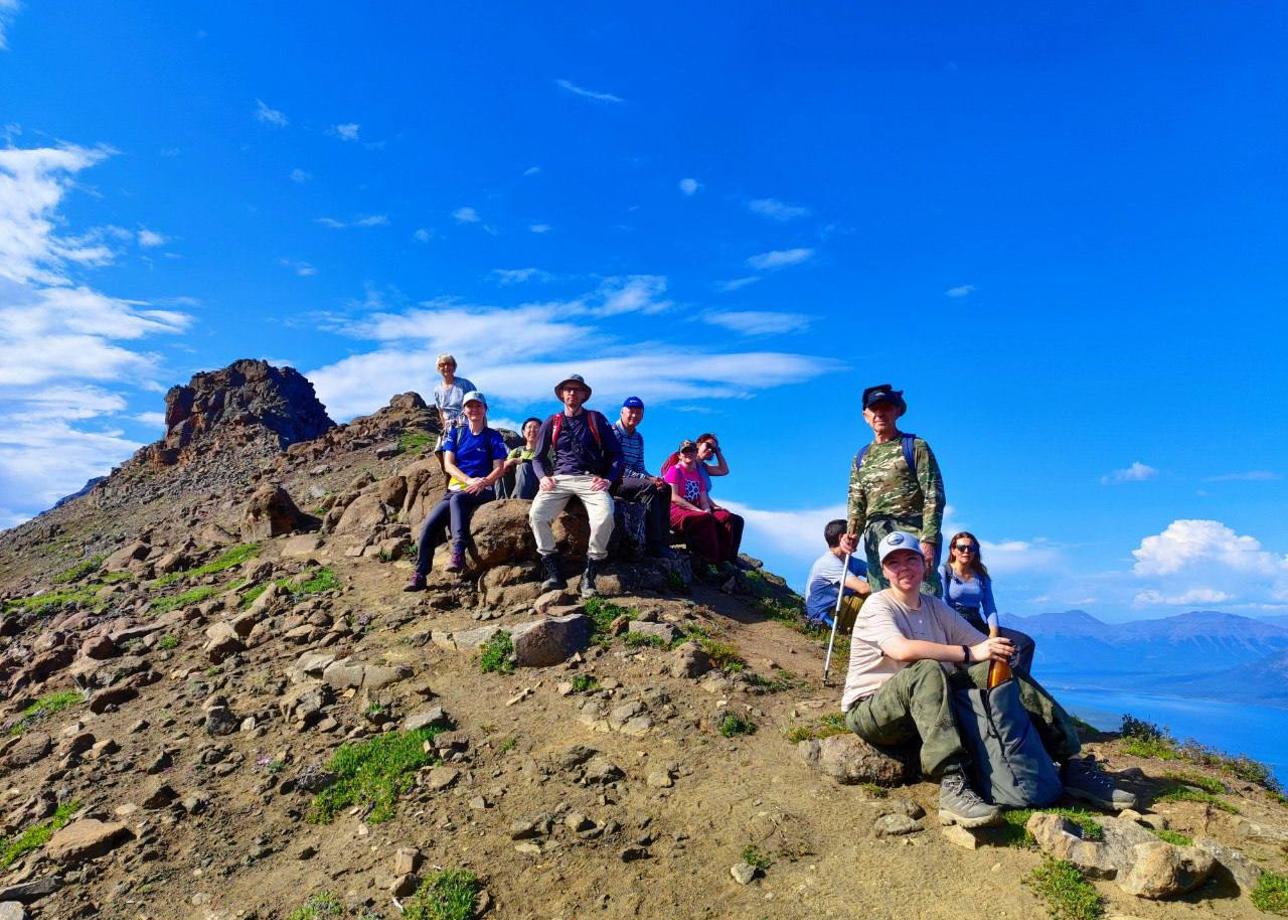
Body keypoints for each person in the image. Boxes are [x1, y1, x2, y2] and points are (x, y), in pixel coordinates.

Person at [842, 531, 1136, 827]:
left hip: (925, 705)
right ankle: (952, 783)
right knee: (927, 668)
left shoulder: (933, 606)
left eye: (910, 559)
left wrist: (994, 655)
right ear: (884, 571)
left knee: (993, 665)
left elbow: (981, 645)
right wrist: (970, 652)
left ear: (924, 564)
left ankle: (1071, 761)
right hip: (872, 709)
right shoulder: (878, 605)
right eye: (894, 563)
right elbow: (901, 650)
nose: (903, 567)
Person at [841, 384, 945, 595]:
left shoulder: (915, 446)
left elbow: (934, 495)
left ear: (897, 411)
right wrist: (851, 534)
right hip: (875, 539)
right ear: (865, 416)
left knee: (923, 597)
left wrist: (929, 540)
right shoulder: (861, 457)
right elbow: (856, 502)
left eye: (886, 407)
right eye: (874, 409)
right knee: (884, 601)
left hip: (913, 534)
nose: (880, 413)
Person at [529, 374, 624, 599]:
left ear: (584, 395)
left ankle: (589, 576)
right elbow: (538, 457)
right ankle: (554, 572)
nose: (572, 393)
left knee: (604, 517)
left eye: (577, 390)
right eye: (568, 389)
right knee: (537, 515)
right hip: (559, 479)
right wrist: (543, 477)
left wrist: (608, 479)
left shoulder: (596, 419)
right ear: (562, 394)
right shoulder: (552, 422)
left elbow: (616, 454)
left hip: (590, 479)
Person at [405, 391, 508, 590]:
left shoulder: (493, 436)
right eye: (470, 406)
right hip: (456, 489)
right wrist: (468, 480)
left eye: (478, 406)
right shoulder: (456, 433)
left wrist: (482, 482)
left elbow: (499, 467)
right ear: (464, 410)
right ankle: (420, 574)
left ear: (485, 409)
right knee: (429, 526)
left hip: (483, 490)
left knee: (459, 501)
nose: (474, 410)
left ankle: (458, 552)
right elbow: (449, 464)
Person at [939, 531, 1037, 674]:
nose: (966, 551)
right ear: (953, 550)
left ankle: (1015, 684)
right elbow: (943, 602)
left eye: (971, 548)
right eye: (961, 548)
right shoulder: (944, 571)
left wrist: (993, 633)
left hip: (976, 622)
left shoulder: (981, 575)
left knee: (1024, 644)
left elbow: (989, 606)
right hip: (955, 623)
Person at [610, 396, 673, 559]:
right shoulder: (613, 432)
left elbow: (639, 466)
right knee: (649, 488)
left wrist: (653, 477)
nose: (634, 416)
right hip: (615, 479)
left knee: (664, 488)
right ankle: (653, 544)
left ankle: (664, 542)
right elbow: (618, 466)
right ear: (622, 412)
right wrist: (648, 481)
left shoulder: (638, 438)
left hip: (632, 479)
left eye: (638, 413)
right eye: (631, 411)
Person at [664, 439, 738, 575]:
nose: (688, 454)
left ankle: (724, 558)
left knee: (724, 517)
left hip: (694, 509)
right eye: (685, 452)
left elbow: (704, 500)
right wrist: (698, 511)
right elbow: (673, 497)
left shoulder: (699, 475)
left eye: (691, 451)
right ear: (679, 455)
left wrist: (708, 510)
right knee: (704, 519)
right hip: (675, 510)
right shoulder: (675, 471)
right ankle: (708, 561)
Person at [804, 519, 871, 631]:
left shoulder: (850, 561)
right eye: (853, 536)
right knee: (871, 595)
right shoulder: (828, 563)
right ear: (841, 537)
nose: (857, 539)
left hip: (838, 610)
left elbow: (876, 572)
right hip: (823, 619)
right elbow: (864, 588)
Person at [694, 433, 746, 566]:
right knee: (725, 518)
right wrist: (712, 506)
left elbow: (724, 470)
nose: (710, 450)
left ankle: (731, 558)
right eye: (708, 445)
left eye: (714, 448)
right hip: (694, 503)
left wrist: (718, 452)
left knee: (738, 521)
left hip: (705, 502)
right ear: (699, 444)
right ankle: (720, 559)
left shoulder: (704, 467)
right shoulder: (689, 462)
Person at [431, 353, 477, 470]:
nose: (446, 367)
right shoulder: (437, 390)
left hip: (465, 423)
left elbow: (478, 405)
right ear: (438, 368)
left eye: (449, 364)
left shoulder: (465, 384)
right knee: (442, 454)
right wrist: (445, 427)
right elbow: (441, 412)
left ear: (454, 367)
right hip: (448, 426)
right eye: (442, 365)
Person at [499, 417, 542, 500]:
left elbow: (548, 468)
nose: (532, 430)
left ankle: (517, 501)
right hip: (513, 486)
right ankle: (500, 500)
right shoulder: (517, 451)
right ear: (523, 432)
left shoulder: (547, 451)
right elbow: (505, 464)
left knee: (524, 466)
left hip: (537, 486)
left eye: (536, 427)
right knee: (501, 468)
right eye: (529, 427)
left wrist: (520, 460)